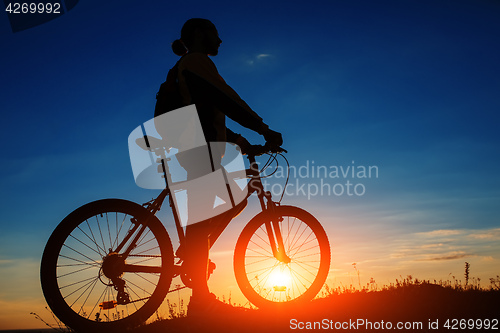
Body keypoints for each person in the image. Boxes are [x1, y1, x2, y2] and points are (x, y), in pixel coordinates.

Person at [167, 18, 283, 314]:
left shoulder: (191, 67)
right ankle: (200, 298)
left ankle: (194, 253)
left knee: (233, 200)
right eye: (215, 33)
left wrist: (241, 141)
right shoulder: (195, 61)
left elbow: (208, 115)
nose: (220, 40)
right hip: (195, 150)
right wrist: (262, 128)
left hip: (196, 147)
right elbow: (226, 98)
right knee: (211, 208)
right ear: (198, 34)